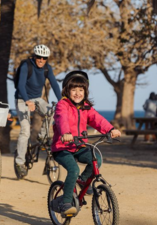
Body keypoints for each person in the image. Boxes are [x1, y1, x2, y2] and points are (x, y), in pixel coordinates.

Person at [52, 70, 121, 215]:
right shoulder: (62, 105)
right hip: (62, 147)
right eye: (74, 90)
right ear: (67, 90)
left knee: (97, 160)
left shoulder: (86, 106)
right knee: (74, 169)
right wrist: (65, 133)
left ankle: (82, 181)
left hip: (79, 146)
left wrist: (111, 129)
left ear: (85, 91)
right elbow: (61, 119)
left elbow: (97, 119)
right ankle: (65, 203)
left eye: (81, 90)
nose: (77, 93)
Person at [14, 44, 62, 177]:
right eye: (39, 57)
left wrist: (62, 101)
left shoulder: (47, 68)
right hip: (22, 99)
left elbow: (54, 84)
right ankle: (19, 162)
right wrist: (27, 101)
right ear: (34, 56)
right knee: (25, 131)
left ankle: (42, 135)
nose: (41, 60)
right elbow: (20, 86)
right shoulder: (26, 66)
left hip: (37, 98)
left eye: (44, 58)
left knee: (52, 111)